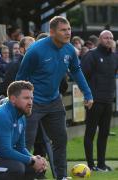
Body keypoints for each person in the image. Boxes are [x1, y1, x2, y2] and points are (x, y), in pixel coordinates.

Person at [16, 16, 93, 180]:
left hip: (54, 101)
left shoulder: (70, 50)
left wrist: (88, 94)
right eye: (63, 30)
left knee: (60, 139)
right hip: (33, 102)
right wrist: (18, 102)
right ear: (52, 32)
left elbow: (77, 71)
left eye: (69, 29)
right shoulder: (35, 51)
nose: (68, 33)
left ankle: (62, 176)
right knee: (25, 143)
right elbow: (20, 78)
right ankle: (23, 176)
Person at [81, 30, 118, 172]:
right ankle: (90, 165)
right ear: (100, 39)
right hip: (93, 101)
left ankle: (102, 164)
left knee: (104, 133)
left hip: (108, 100)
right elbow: (83, 76)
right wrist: (88, 96)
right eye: (106, 37)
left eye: (111, 38)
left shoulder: (114, 56)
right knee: (90, 133)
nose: (108, 40)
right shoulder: (92, 55)